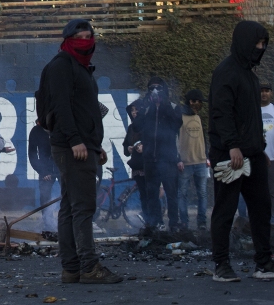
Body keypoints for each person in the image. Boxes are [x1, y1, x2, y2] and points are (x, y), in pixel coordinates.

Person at [209, 20, 274, 282]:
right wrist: (232, 145)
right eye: (257, 43)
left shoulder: (250, 74)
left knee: (261, 208)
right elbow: (221, 113)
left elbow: (251, 117)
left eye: (263, 44)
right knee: (225, 210)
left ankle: (264, 263)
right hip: (230, 155)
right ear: (245, 42)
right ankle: (221, 265)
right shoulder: (226, 72)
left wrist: (260, 148)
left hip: (254, 155)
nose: (261, 48)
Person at [37, 19, 122, 284]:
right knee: (83, 208)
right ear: (67, 40)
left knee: (70, 206)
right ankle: (89, 267)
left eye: (89, 36)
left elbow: (84, 110)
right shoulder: (62, 65)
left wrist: (95, 146)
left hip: (83, 146)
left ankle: (72, 268)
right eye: (79, 37)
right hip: (72, 147)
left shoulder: (79, 66)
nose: (85, 42)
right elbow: (61, 106)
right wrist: (76, 141)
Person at [135, 77, 182, 231]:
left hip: (168, 159)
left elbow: (177, 124)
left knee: (171, 193)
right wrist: (145, 107)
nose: (155, 91)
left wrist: (164, 105)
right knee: (152, 193)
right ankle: (156, 223)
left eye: (158, 88)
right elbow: (136, 126)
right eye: (152, 88)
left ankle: (173, 223)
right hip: (150, 159)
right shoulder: (146, 108)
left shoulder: (172, 107)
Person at [177, 89, 208, 231]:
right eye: (198, 102)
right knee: (182, 194)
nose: (200, 105)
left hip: (201, 162)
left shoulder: (198, 117)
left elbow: (203, 139)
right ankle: (184, 222)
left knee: (202, 194)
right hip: (185, 163)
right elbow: (175, 139)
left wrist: (207, 156)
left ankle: (202, 222)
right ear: (191, 102)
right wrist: (178, 159)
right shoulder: (179, 117)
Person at [28, 118, 59, 231]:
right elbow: (32, 154)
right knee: (45, 196)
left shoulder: (60, 126)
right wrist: (43, 171)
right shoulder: (36, 131)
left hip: (62, 167)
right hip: (45, 169)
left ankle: (67, 222)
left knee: (68, 195)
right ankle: (49, 224)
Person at [259, 84, 274, 226]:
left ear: (271, 93)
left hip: (273, 157)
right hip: (256, 158)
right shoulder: (253, 110)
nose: (264, 94)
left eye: (267, 91)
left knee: (272, 191)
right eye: (261, 91)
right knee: (257, 190)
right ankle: (258, 218)